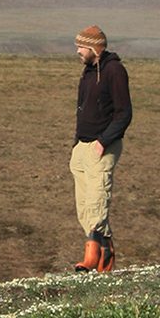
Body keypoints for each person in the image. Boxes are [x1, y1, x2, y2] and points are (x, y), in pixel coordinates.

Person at [69, 26, 131, 273]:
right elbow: (82, 110)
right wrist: (76, 145)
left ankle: (93, 255)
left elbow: (124, 113)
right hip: (82, 148)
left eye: (81, 47)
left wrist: (103, 141)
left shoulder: (114, 71)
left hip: (101, 147)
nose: (77, 51)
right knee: (84, 205)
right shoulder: (87, 73)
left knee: (97, 201)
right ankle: (106, 258)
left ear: (95, 48)